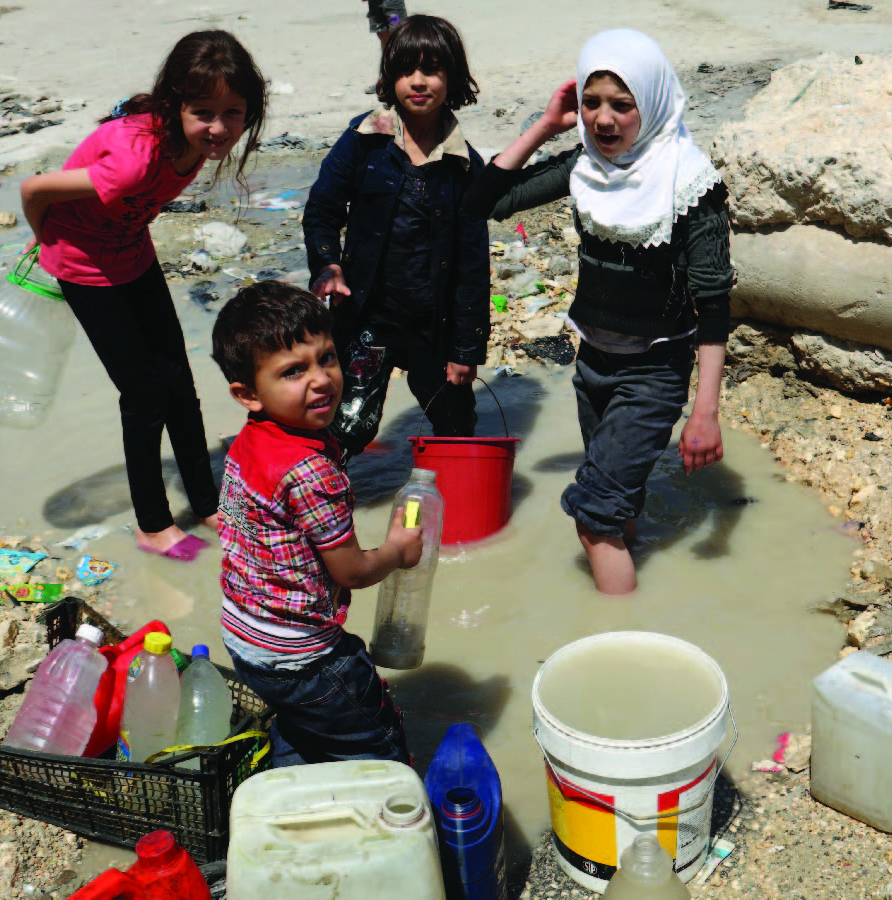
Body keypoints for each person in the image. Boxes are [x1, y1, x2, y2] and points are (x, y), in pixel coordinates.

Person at [463, 29, 734, 595]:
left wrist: (703, 411)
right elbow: (481, 203)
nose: (604, 120)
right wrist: (543, 127)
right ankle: (628, 590)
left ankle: (619, 639)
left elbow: (712, 306)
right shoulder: (583, 166)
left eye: (622, 105)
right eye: (592, 103)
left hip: (655, 371)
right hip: (592, 367)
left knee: (592, 517)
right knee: (615, 505)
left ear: (653, 104)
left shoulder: (691, 185)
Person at [20, 31, 266, 560]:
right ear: (177, 104)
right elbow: (33, 189)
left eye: (234, 112)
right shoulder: (135, 158)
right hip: (84, 267)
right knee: (145, 395)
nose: (220, 128)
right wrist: (46, 244)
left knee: (179, 378)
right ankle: (152, 525)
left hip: (134, 254)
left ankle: (206, 502)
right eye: (204, 112)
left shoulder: (195, 144)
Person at [210, 281, 422, 766]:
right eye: (293, 371)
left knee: (304, 725)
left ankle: (284, 791)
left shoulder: (249, 441)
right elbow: (351, 573)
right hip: (303, 655)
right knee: (377, 743)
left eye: (326, 358)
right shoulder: (310, 471)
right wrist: (397, 550)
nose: (321, 379)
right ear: (248, 395)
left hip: (245, 637)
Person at [303, 14, 490, 462]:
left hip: (435, 326)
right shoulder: (364, 141)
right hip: (370, 318)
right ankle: (326, 514)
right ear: (389, 78)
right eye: (406, 70)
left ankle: (451, 519)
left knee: (454, 425)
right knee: (348, 423)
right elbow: (322, 211)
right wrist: (328, 266)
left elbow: (472, 265)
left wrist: (467, 349)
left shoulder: (465, 166)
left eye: (431, 70)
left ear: (454, 78)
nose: (418, 82)